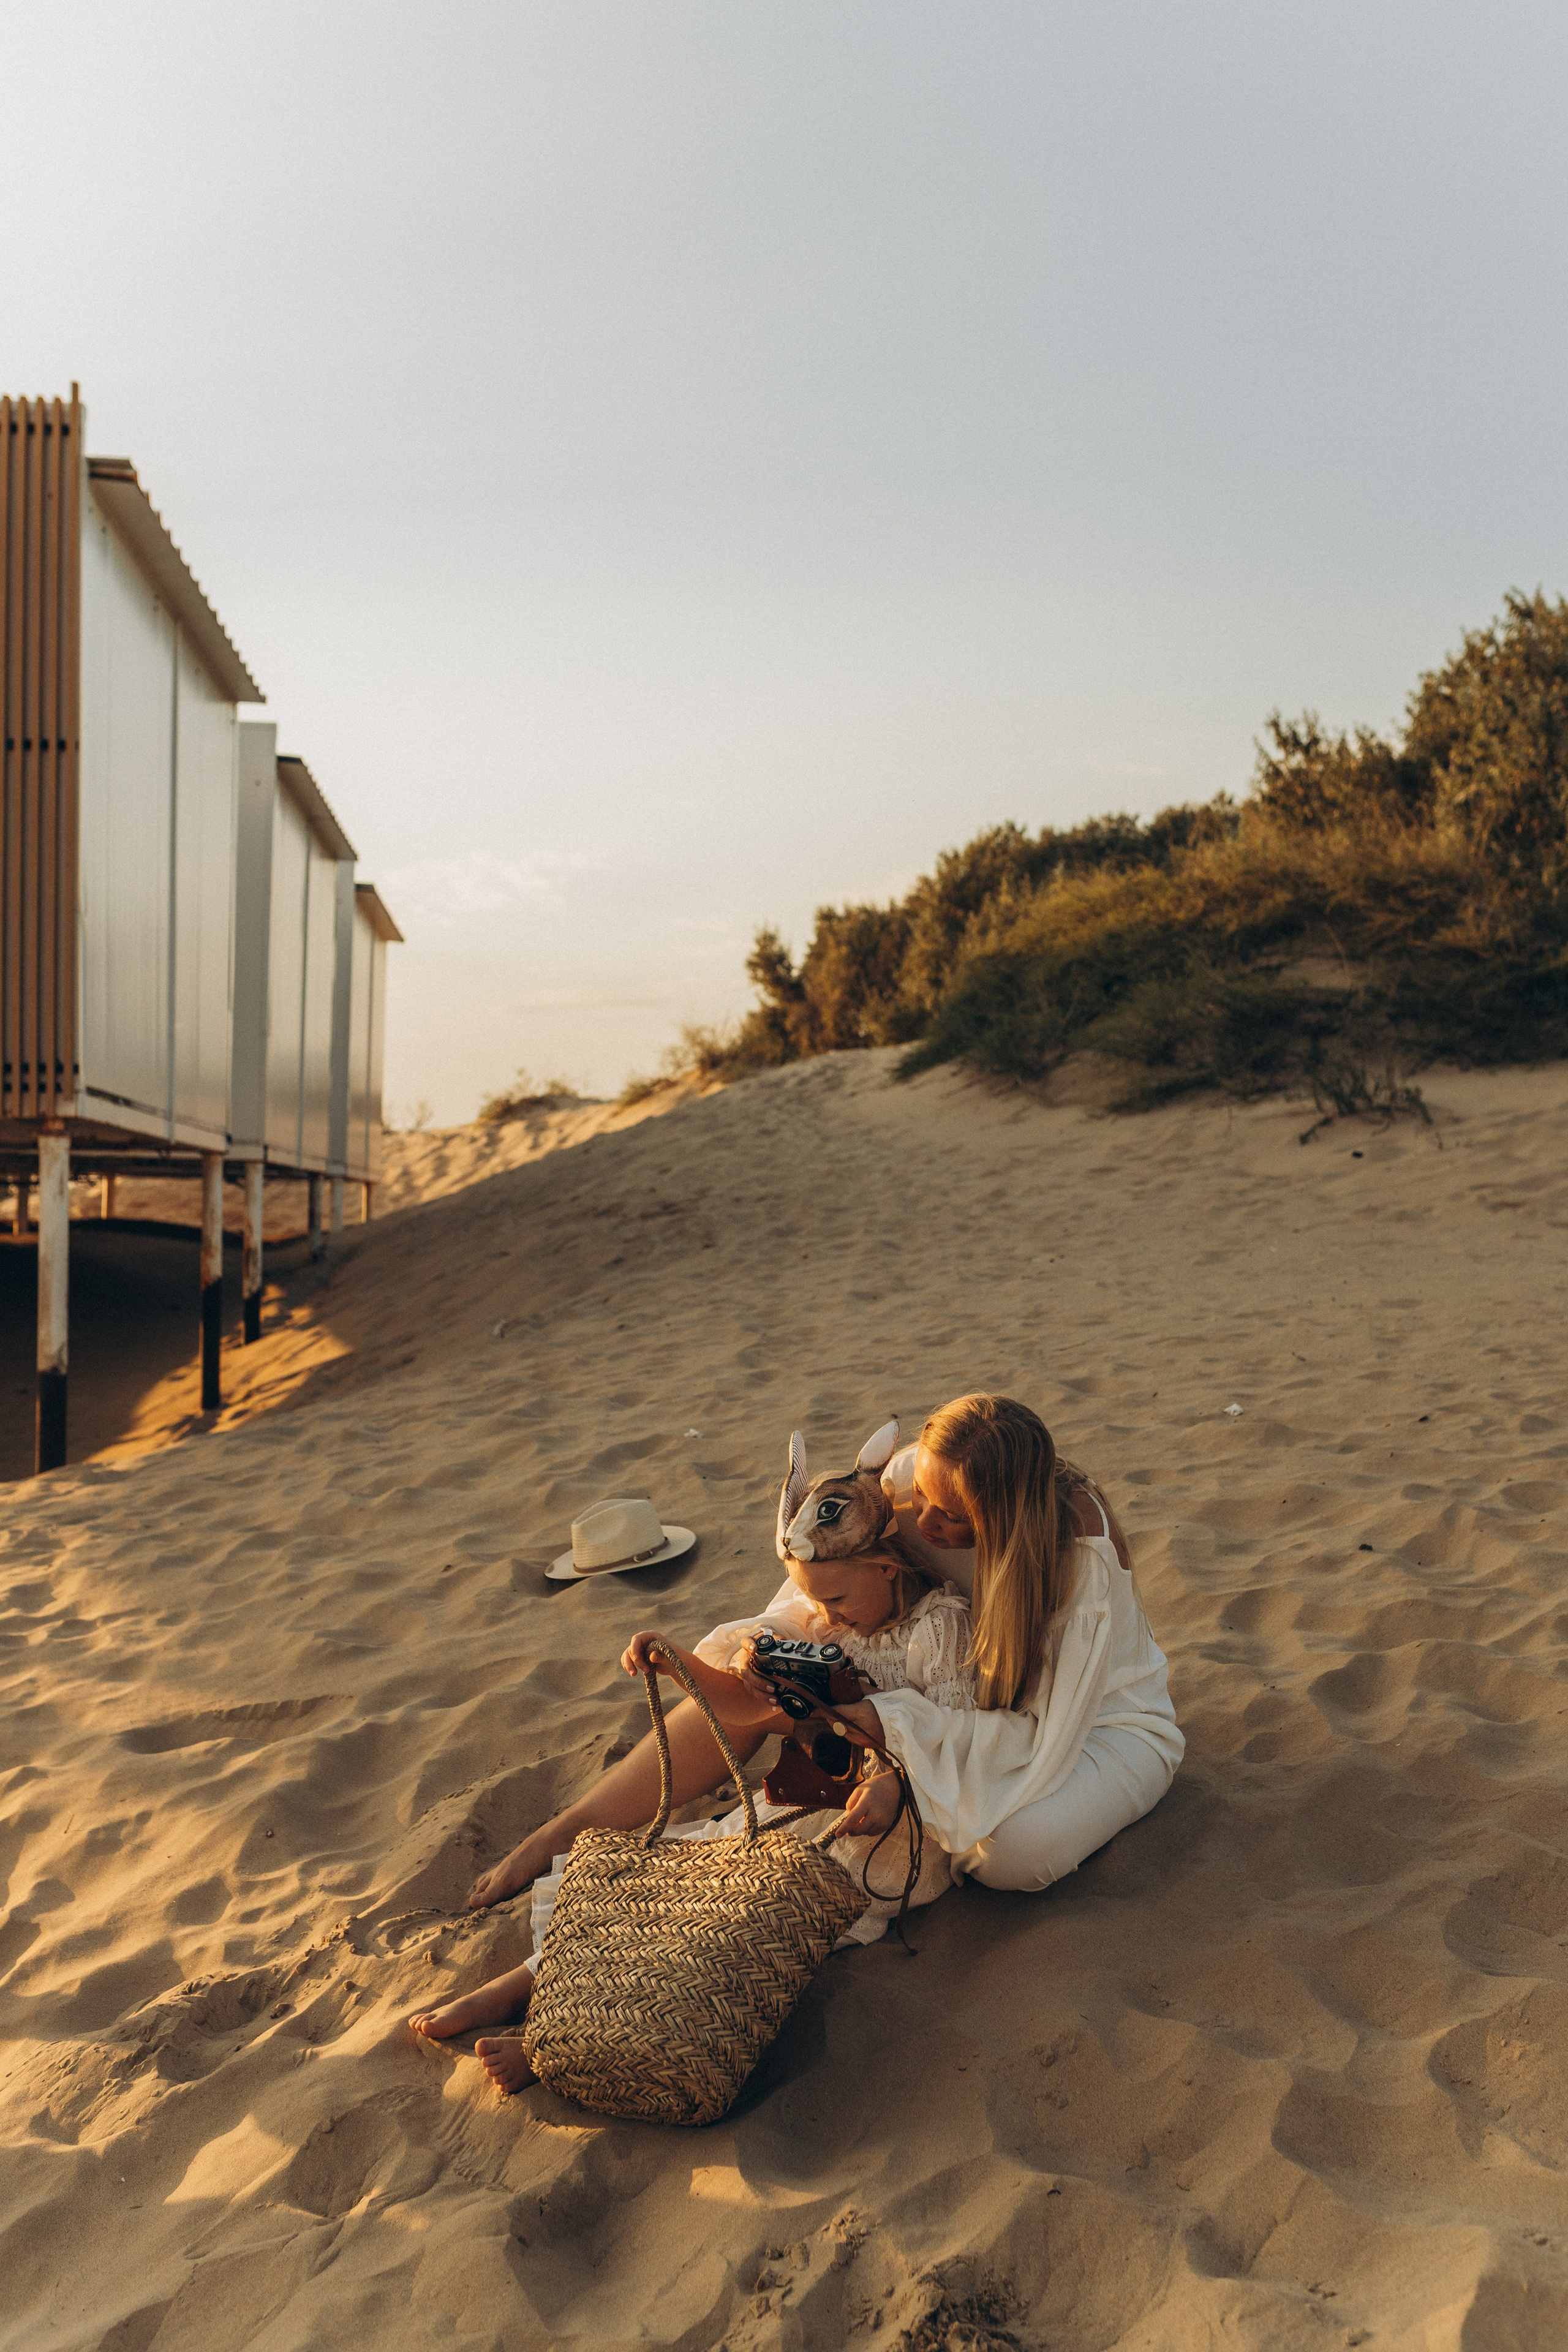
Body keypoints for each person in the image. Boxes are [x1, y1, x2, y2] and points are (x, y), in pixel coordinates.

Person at [468, 1391, 1180, 1911]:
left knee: (1008, 1854)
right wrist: (773, 1658)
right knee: (764, 1681)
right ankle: (562, 1833)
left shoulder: (1078, 1560)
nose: (925, 1522)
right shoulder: (909, 1483)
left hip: (1087, 1729)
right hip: (931, 1670)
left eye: (951, 1516)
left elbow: (1040, 1732)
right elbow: (825, 1594)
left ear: (1005, 1514)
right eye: (922, 1496)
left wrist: (907, 1756)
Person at [413, 1543, 976, 2091]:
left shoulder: (941, 1628)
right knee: (679, 1884)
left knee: (732, 1928)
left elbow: (954, 1741)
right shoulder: (834, 1624)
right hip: (809, 1803)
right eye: (816, 1602)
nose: (825, 1615)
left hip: (890, 1833)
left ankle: (556, 2040)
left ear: (886, 1568)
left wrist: (895, 1785)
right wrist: (679, 1665)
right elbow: (749, 1711)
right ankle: (526, 1983)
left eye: (835, 1600)